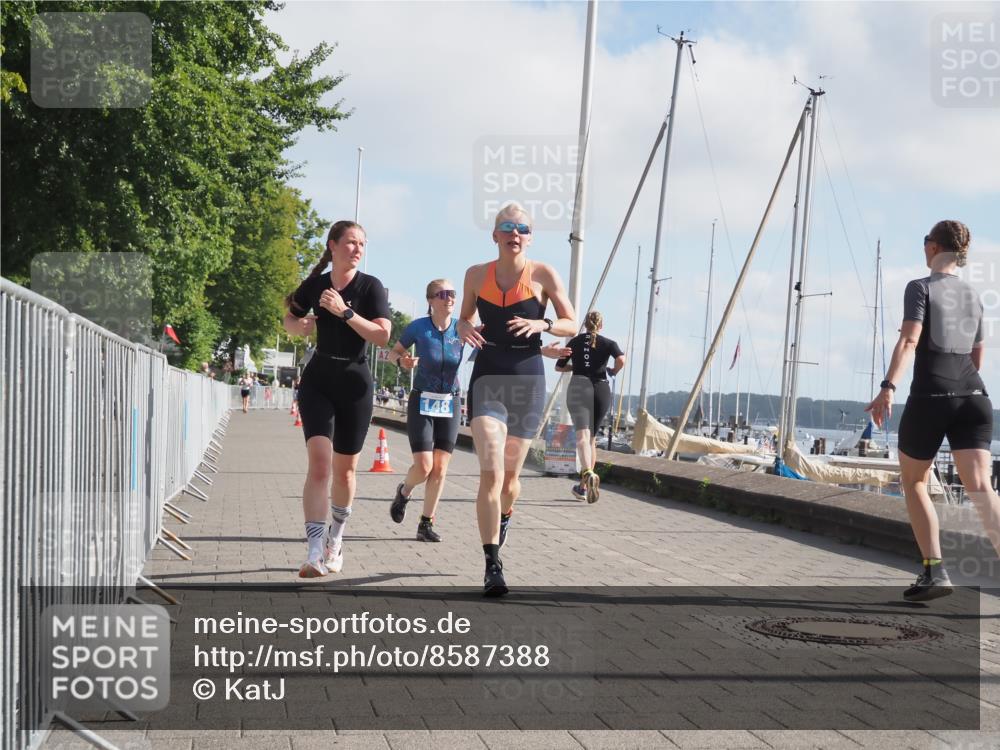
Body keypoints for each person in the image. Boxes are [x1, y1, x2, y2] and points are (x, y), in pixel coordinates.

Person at [866, 220, 999, 602]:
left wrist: (888, 388)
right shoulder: (974, 296)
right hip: (975, 395)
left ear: (934, 246)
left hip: (932, 395)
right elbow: (977, 356)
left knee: (915, 482)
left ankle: (935, 571)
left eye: (925, 241)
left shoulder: (920, 287)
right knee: (981, 489)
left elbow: (910, 341)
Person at [457, 202, 576, 596]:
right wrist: (462, 327)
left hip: (527, 379)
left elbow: (571, 322)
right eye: (507, 227)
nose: (515, 234)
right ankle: (492, 564)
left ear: (530, 237)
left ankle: (505, 514)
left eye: (522, 229)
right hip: (488, 374)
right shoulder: (475, 274)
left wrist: (543, 323)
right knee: (491, 471)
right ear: (495, 235)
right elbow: (464, 318)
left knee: (510, 480)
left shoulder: (543, 274)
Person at [283, 220, 392, 578]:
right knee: (320, 465)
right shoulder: (315, 284)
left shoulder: (370, 286)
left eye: (362, 243)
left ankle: (336, 539)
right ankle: (314, 551)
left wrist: (345, 312)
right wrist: (297, 327)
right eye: (350, 242)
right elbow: (290, 318)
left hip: (355, 383)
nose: (357, 249)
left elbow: (382, 336)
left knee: (345, 473)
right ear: (333, 246)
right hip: (318, 380)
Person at [388, 279, 464, 542]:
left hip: (450, 401)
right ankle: (404, 492)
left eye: (453, 293)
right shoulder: (418, 327)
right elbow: (393, 353)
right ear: (431, 300)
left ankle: (426, 523)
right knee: (424, 466)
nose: (449, 298)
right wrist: (403, 361)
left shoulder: (461, 328)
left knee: (440, 468)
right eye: (443, 294)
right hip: (422, 400)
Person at [549, 311, 625, 503]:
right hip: (601, 389)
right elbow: (621, 359)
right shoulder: (609, 343)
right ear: (601, 325)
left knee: (582, 437)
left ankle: (588, 473)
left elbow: (559, 367)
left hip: (579, 386)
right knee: (591, 439)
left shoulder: (574, 342)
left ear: (585, 324)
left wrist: (574, 367)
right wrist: (613, 370)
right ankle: (583, 487)